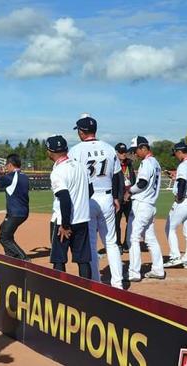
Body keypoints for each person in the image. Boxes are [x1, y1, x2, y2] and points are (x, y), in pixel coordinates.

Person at [68, 114, 123, 289]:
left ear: (83, 132)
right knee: (111, 243)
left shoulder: (75, 151)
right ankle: (118, 283)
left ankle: (95, 281)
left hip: (87, 199)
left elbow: (72, 177)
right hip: (107, 197)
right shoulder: (109, 148)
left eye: (79, 131)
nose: (78, 134)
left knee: (91, 243)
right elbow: (116, 175)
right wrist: (116, 197)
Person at [46, 135, 93, 279]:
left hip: (63, 222)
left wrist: (65, 225)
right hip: (82, 219)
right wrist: (80, 205)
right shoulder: (81, 166)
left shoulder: (57, 172)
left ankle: (60, 293)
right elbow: (90, 191)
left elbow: (64, 198)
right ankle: (88, 293)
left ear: (50, 152)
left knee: (59, 259)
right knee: (83, 260)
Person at [125, 136, 165, 282]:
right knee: (150, 239)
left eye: (136, 150)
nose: (135, 154)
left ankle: (134, 273)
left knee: (133, 238)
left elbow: (142, 183)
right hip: (150, 205)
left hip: (141, 204)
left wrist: (129, 191)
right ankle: (158, 269)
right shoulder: (155, 163)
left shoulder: (147, 163)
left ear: (143, 148)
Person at [0, 153, 30, 260]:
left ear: (11, 165)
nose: (5, 167)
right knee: (3, 228)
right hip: (23, 212)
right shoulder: (24, 176)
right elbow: (12, 181)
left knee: (4, 238)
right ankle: (11, 255)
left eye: (7, 165)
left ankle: (23, 258)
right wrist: (4, 174)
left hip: (15, 213)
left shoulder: (9, 177)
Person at [114, 142, 136, 252]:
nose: (123, 154)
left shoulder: (129, 164)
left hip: (129, 198)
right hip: (118, 198)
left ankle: (126, 243)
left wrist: (131, 193)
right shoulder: (113, 165)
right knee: (116, 223)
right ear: (116, 153)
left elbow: (133, 180)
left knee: (130, 221)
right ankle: (117, 244)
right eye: (121, 152)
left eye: (124, 152)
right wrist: (115, 197)